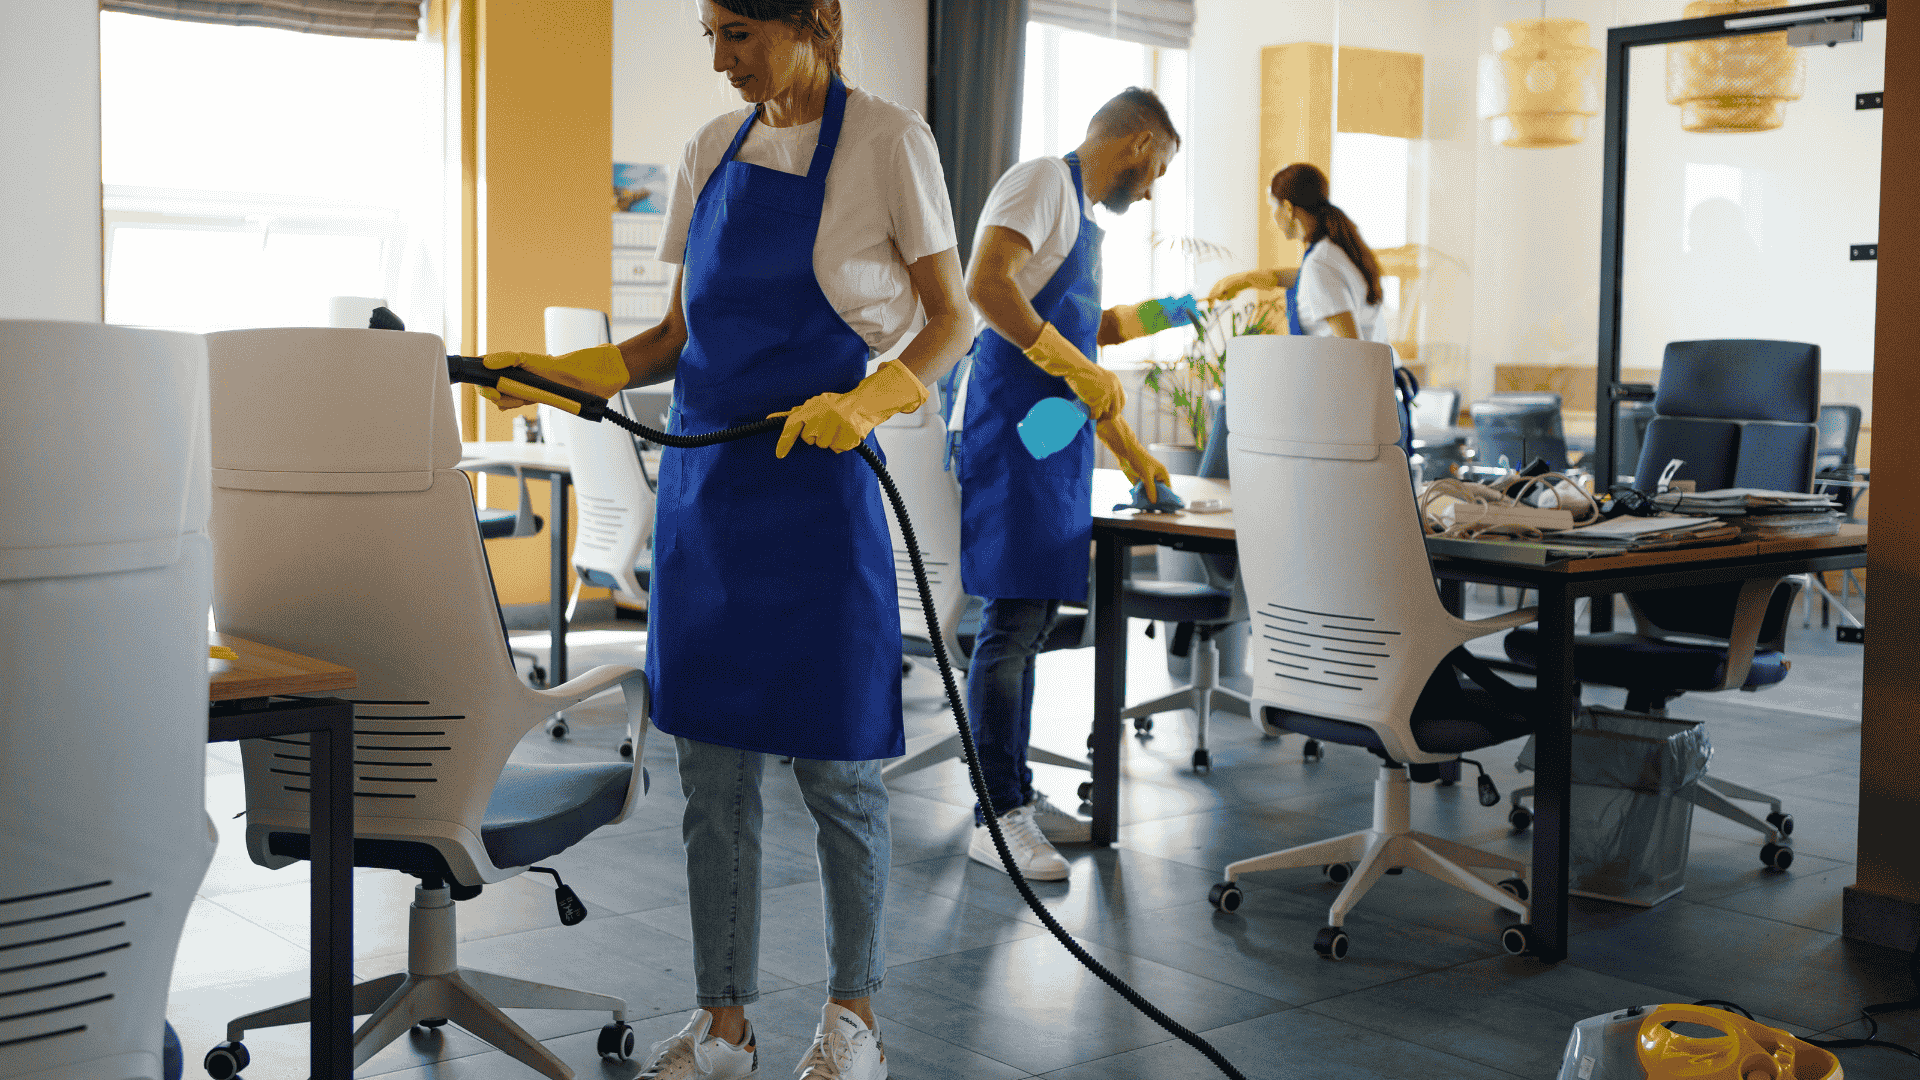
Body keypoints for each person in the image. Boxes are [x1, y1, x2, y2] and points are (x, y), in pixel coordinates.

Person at [477, 2, 970, 1077]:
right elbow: (668, 339)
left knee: (839, 774)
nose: (720, 58)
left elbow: (953, 317)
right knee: (713, 778)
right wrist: (554, 375)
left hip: (821, 493)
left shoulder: (891, 142)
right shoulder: (712, 149)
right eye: (710, 34)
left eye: (740, 31)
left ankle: (855, 1021)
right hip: (709, 500)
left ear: (816, 22)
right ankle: (725, 1025)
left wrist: (875, 397)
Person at [952, 87, 1182, 881]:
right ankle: (996, 815)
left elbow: (1089, 339)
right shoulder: (1042, 182)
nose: (1151, 189)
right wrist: (1076, 365)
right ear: (1141, 140)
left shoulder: (1079, 215)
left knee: (1033, 615)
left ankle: (1014, 794)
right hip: (1013, 424)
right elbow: (986, 286)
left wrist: (1136, 451)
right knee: (1011, 622)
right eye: (1158, 170)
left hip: (1047, 430)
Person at [1207, 162, 1415, 451]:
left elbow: (1351, 348)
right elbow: (1306, 280)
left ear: (1289, 209)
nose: (1274, 217)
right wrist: (1247, 278)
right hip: (1380, 406)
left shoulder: (1320, 264)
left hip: (1358, 415)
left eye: (1274, 208)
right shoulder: (1335, 252)